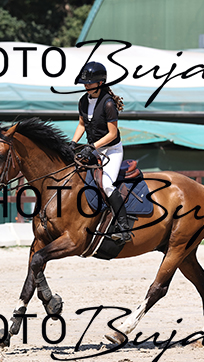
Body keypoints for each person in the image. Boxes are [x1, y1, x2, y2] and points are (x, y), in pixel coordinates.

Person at [70, 61, 132, 242]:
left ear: (100, 82)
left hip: (112, 150)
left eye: (89, 83)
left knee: (106, 184)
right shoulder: (83, 101)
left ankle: (124, 228)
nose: (86, 86)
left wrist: (91, 148)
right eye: (84, 83)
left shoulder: (108, 104)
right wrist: (73, 143)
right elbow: (81, 125)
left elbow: (112, 134)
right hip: (94, 149)